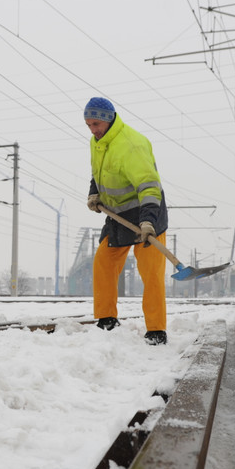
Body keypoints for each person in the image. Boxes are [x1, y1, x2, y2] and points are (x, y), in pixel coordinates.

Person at [84, 97, 169, 345]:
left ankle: (156, 330)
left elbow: (149, 187)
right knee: (103, 263)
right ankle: (106, 319)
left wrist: (148, 221)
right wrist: (94, 192)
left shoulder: (132, 145)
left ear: (109, 119)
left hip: (146, 214)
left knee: (151, 273)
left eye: (96, 124)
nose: (92, 130)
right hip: (117, 216)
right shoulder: (97, 141)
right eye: (88, 124)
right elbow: (98, 171)